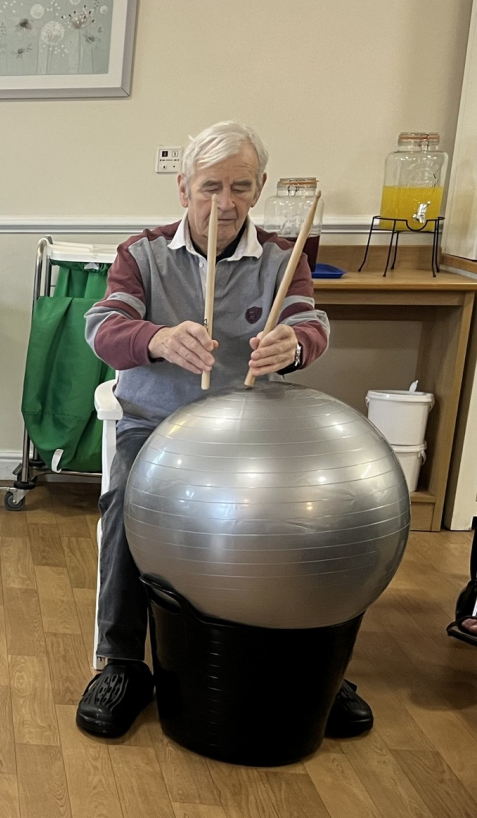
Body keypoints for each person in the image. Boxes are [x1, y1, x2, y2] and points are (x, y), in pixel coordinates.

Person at [80, 120, 372, 740]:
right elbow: (102, 327)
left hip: (253, 436)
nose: (226, 202)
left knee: (311, 518)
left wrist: (295, 344)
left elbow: (311, 323)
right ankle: (124, 663)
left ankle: (310, 661)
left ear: (260, 188)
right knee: (125, 504)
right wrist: (155, 338)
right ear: (184, 188)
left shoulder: (279, 258)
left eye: (241, 186)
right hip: (157, 426)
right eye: (211, 186)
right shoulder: (143, 254)